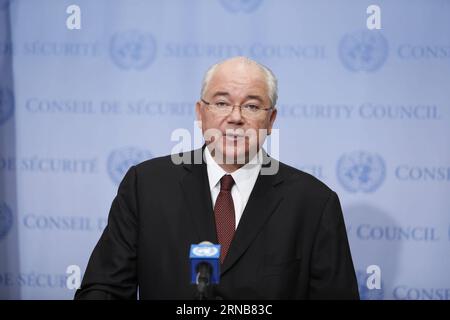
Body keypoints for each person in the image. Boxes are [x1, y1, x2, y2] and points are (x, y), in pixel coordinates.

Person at [75, 56, 359, 300]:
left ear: (271, 121)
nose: (235, 117)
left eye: (251, 106)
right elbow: (104, 288)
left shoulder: (313, 203)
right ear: (201, 113)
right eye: (222, 103)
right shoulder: (146, 185)